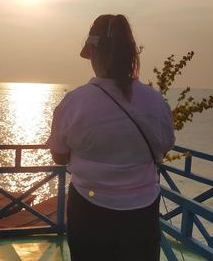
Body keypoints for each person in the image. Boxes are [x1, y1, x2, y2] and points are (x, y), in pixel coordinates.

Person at [46, 14, 175, 261]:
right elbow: (163, 149)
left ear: (93, 52)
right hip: (142, 213)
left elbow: (59, 156)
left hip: (89, 210)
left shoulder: (74, 102)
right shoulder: (155, 102)